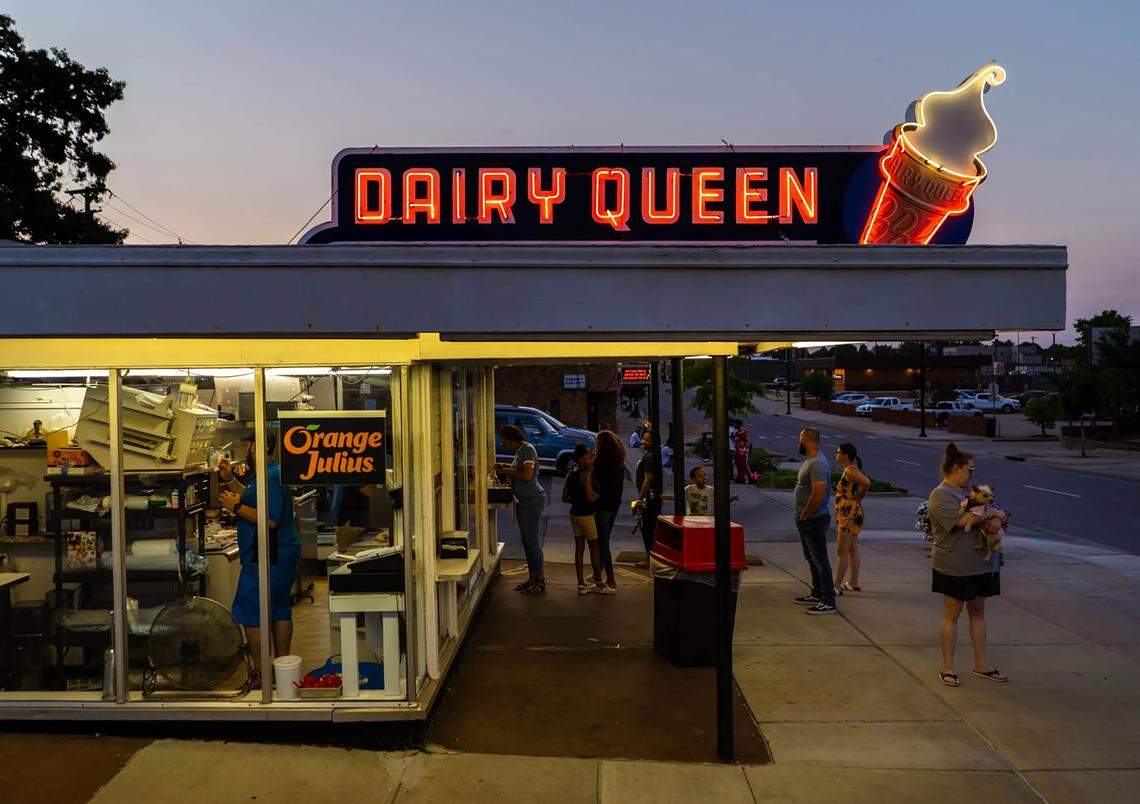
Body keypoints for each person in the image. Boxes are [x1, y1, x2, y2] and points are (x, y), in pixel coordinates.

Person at [217, 431, 301, 681]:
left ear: (257, 447)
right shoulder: (268, 474)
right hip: (278, 553)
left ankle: (262, 674)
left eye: (249, 446)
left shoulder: (270, 476)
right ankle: (281, 671)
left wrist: (235, 507)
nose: (248, 451)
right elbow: (256, 498)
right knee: (279, 609)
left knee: (252, 610)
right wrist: (231, 481)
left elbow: (270, 520)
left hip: (268, 553)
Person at [927, 443, 1007, 687]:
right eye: (970, 469)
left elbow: (990, 510)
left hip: (981, 565)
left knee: (978, 611)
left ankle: (981, 664)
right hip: (955, 565)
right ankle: (948, 668)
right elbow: (965, 521)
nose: (973, 474)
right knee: (953, 613)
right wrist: (995, 515)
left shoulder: (967, 493)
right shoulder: (941, 495)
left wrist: (996, 515)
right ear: (956, 469)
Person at [496, 425, 547, 594]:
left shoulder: (528, 450)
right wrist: (506, 468)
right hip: (523, 501)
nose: (504, 447)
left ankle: (539, 580)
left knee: (532, 542)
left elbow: (527, 475)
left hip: (532, 500)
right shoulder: (519, 452)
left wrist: (507, 471)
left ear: (512, 439)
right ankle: (532, 578)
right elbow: (519, 471)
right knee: (527, 542)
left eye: (505, 443)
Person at [792, 427, 836, 614]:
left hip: (813, 519)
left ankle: (828, 601)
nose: (798, 442)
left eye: (800, 438)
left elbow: (818, 494)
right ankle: (817, 593)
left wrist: (805, 514)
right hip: (807, 518)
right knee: (812, 558)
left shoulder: (817, 463)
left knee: (820, 560)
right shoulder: (811, 461)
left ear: (805, 439)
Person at [565, 443, 604, 595]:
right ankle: (599, 581)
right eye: (588, 457)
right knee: (594, 547)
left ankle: (581, 584)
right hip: (586, 515)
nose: (590, 460)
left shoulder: (571, 474)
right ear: (582, 458)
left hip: (574, 514)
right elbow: (589, 497)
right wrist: (598, 495)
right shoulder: (585, 475)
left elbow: (564, 497)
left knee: (579, 549)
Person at [591, 430, 625, 593]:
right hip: (614, 504)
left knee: (601, 543)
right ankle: (598, 572)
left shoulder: (600, 462)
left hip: (602, 505)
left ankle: (610, 579)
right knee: (605, 539)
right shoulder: (619, 461)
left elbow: (595, 481)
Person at [833, 442, 870, 593]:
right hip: (852, 513)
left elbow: (866, 482)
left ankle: (835, 586)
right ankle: (853, 582)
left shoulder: (850, 471)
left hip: (848, 515)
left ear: (845, 455)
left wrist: (860, 494)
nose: (836, 454)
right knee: (852, 548)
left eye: (838, 452)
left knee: (842, 551)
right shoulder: (850, 470)